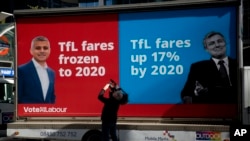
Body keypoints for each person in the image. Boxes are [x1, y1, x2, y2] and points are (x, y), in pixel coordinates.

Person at [181, 31, 237, 104]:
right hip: (212, 110)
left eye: (220, 41)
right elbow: (186, 94)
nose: (217, 45)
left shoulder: (238, 64)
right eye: (212, 43)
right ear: (206, 49)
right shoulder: (198, 68)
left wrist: (210, 91)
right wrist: (196, 93)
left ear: (225, 43)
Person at [18, 36, 56, 104]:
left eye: (45, 48)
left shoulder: (51, 73)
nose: (42, 51)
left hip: (47, 113)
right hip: (28, 113)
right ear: (31, 51)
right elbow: (18, 97)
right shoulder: (21, 71)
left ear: (49, 50)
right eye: (38, 48)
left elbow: (51, 97)